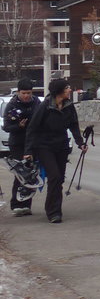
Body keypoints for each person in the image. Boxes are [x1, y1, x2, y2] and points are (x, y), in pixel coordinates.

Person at [24, 78, 87, 224]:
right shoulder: (45, 106)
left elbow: (74, 125)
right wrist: (28, 150)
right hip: (45, 146)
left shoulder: (69, 106)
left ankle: (53, 208)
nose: (70, 90)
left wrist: (80, 143)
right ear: (59, 91)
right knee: (54, 176)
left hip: (62, 146)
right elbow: (32, 129)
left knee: (59, 180)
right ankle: (53, 212)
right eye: (67, 88)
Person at [3, 78, 41, 215]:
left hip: (33, 142)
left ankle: (26, 204)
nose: (26, 96)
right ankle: (16, 204)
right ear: (18, 92)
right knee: (21, 173)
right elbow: (6, 126)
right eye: (24, 93)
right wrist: (18, 126)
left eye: (29, 93)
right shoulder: (13, 105)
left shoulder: (36, 103)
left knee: (31, 174)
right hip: (18, 143)